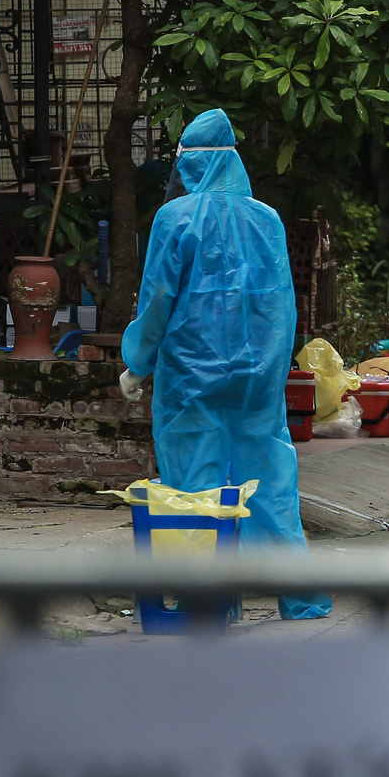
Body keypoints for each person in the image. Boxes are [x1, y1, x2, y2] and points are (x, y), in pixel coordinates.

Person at [119, 108, 328, 620]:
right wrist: (274, 368)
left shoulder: (175, 218)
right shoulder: (267, 218)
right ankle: (300, 598)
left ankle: (210, 605)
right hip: (257, 376)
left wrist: (136, 362)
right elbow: (283, 304)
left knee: (197, 487)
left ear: (191, 162)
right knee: (272, 485)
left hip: (193, 375)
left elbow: (158, 299)